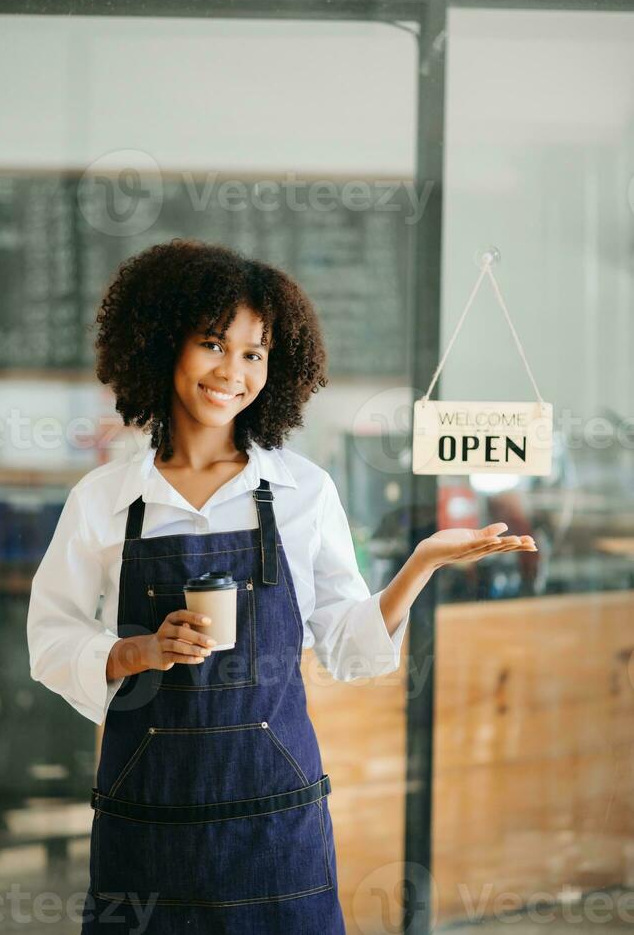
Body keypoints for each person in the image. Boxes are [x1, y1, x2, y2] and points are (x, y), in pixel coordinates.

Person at [27, 238, 536, 933]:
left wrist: (417, 565)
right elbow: (51, 638)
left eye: (253, 352)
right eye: (213, 343)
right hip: (147, 818)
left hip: (275, 820)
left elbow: (347, 648)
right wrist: (140, 651)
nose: (232, 371)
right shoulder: (105, 497)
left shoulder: (301, 491)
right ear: (158, 345)